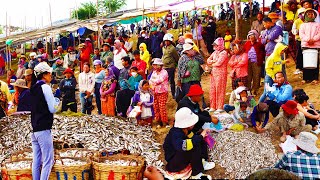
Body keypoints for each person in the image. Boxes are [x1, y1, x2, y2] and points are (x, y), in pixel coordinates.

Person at [163, 107, 214, 179]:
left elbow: (193, 137)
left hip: (180, 157)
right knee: (194, 145)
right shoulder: (175, 133)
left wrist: (201, 136)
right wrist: (200, 136)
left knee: (199, 140)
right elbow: (184, 146)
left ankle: (203, 161)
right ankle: (196, 175)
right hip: (173, 164)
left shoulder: (186, 130)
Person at [31, 62, 57, 180]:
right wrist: (57, 101)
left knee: (36, 160)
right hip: (44, 128)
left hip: (34, 129)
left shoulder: (33, 88)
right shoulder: (45, 87)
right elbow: (52, 108)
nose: (51, 76)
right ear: (44, 75)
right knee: (48, 161)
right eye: (49, 73)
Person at [207, 38, 228, 112]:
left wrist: (212, 63)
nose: (215, 46)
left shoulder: (224, 53)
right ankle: (213, 106)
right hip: (213, 73)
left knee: (220, 90)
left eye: (216, 45)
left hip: (221, 74)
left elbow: (219, 63)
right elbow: (208, 60)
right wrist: (213, 61)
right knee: (213, 89)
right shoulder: (215, 52)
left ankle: (219, 107)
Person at [299, 8, 320, 84]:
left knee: (315, 62)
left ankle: (315, 78)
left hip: (315, 45)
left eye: (312, 14)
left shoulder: (318, 25)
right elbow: (301, 34)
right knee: (306, 62)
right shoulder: (302, 25)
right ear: (305, 16)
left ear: (314, 15)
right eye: (308, 14)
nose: (310, 15)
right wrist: (308, 40)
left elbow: (319, 34)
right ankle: (306, 78)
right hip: (306, 45)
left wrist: (313, 40)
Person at [244, 30, 266, 95]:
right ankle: (248, 90)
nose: (251, 37)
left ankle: (255, 90)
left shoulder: (259, 44)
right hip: (248, 62)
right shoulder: (247, 44)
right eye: (249, 36)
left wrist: (262, 59)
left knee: (257, 76)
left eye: (252, 36)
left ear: (255, 36)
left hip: (257, 62)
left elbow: (263, 52)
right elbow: (244, 51)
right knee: (249, 76)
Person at [149, 58, 169, 127]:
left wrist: (153, 83)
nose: (154, 66)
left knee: (162, 107)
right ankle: (159, 121)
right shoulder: (154, 72)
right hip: (155, 91)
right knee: (156, 107)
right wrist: (152, 84)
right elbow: (150, 80)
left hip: (162, 92)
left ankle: (165, 122)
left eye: (155, 65)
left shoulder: (164, 72)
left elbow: (159, 80)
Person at [162, 33, 180, 97]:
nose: (166, 42)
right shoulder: (164, 48)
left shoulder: (172, 49)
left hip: (170, 67)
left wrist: (177, 66)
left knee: (171, 81)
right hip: (164, 66)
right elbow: (163, 56)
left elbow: (176, 58)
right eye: (165, 41)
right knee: (165, 81)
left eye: (167, 41)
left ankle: (173, 94)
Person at [292, 8, 306, 75]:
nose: (302, 15)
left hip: (306, 40)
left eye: (303, 13)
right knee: (299, 54)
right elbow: (293, 31)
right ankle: (298, 68)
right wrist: (299, 31)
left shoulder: (307, 21)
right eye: (301, 13)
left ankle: (305, 67)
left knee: (305, 54)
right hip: (299, 40)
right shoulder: (296, 21)